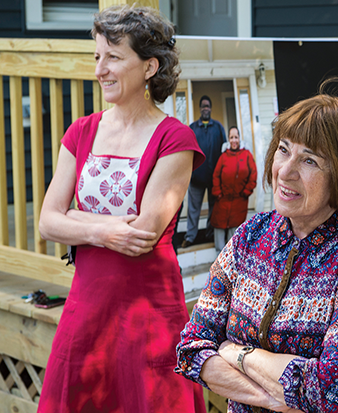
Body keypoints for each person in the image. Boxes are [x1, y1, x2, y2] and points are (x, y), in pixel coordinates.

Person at [175, 88, 338, 412]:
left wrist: (236, 353)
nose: (285, 170)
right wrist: (272, 399)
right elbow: (192, 347)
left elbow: (330, 390)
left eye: (309, 160)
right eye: (284, 150)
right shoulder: (250, 236)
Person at [37, 5, 206, 412]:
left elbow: (142, 234)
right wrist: (100, 231)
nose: (101, 70)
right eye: (97, 57)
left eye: (113, 57)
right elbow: (46, 221)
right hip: (87, 306)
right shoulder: (82, 131)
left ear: (149, 67)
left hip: (148, 315)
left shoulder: (175, 139)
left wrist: (75, 218)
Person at [182, 95, 227, 248]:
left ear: (211, 108)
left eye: (208, 106)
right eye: (203, 106)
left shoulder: (218, 127)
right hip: (196, 178)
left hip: (214, 179)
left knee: (213, 209)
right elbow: (187, 152)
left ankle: (209, 234)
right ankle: (190, 237)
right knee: (193, 210)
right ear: (200, 108)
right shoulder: (192, 128)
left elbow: (224, 152)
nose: (205, 108)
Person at [211, 126, 257, 252]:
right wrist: (218, 193)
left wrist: (246, 192)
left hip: (239, 200)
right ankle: (218, 259)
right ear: (228, 140)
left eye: (236, 137)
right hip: (223, 199)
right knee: (219, 226)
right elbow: (216, 175)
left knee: (234, 230)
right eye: (231, 137)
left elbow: (253, 175)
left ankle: (231, 259)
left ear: (239, 138)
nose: (234, 140)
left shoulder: (247, 155)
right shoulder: (223, 156)